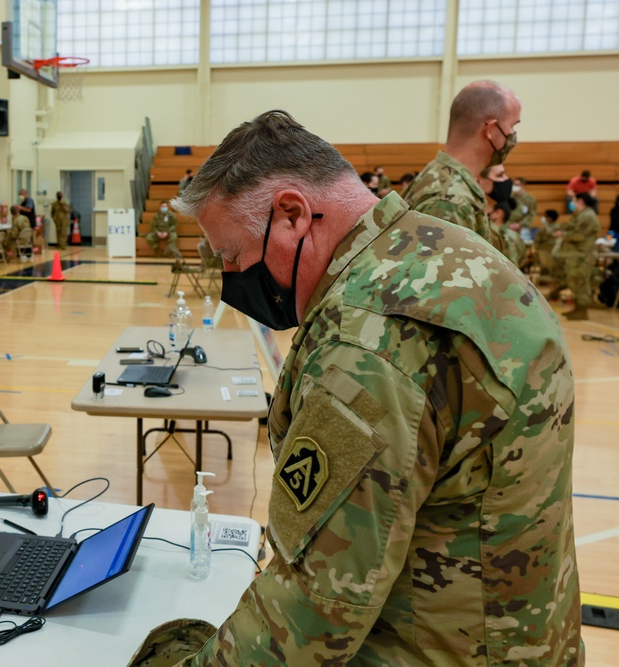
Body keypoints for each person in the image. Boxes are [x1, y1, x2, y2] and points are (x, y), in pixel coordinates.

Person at [129, 110, 582, 665]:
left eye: (233, 256)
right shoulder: (445, 251)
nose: (233, 279)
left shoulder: (369, 340)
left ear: (292, 214)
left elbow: (313, 612)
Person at [403, 80, 521, 245]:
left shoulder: (445, 178)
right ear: (491, 130)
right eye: (513, 126)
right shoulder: (449, 200)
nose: (513, 135)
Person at [555, 192, 601, 320]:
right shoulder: (582, 215)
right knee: (575, 281)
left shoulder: (587, 216)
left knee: (580, 282)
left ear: (580, 201)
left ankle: (582, 310)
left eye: (574, 199)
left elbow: (579, 235)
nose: (572, 202)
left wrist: (563, 234)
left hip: (583, 255)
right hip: (578, 254)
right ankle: (578, 309)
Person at [535, 209, 561, 280]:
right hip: (556, 257)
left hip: (543, 256)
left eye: (545, 216)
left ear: (549, 218)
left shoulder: (543, 230)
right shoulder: (559, 229)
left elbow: (536, 243)